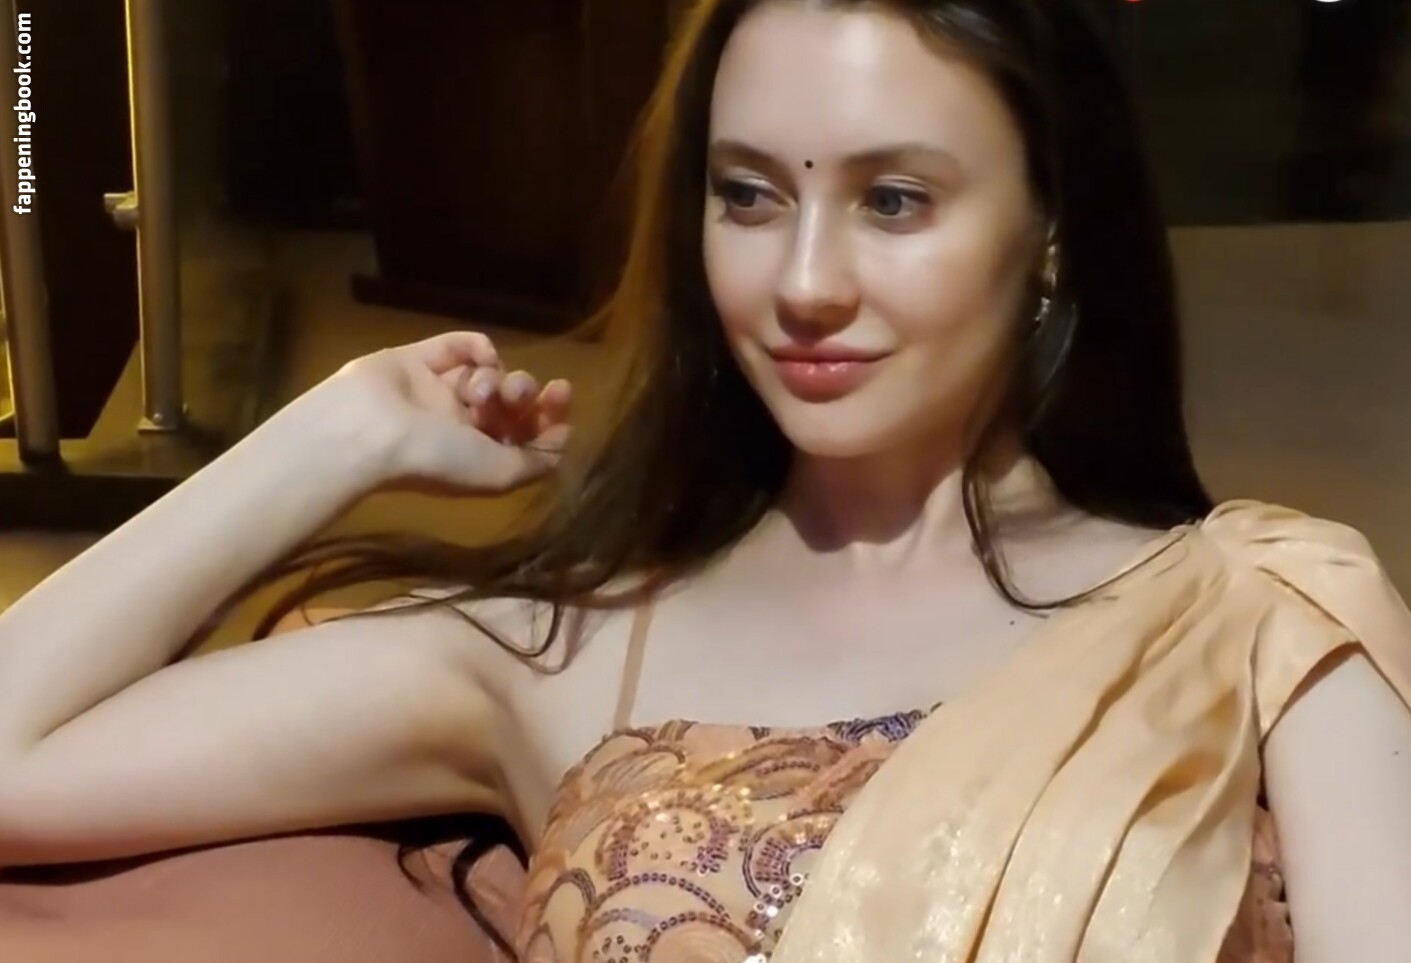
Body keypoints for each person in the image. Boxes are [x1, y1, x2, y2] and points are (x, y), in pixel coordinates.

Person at [1, 1, 1408, 960]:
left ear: (1049, 230)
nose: (804, 281)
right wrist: (334, 438)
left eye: (895, 200)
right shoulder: (561, 649)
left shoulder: (1255, 609)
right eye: (748, 196)